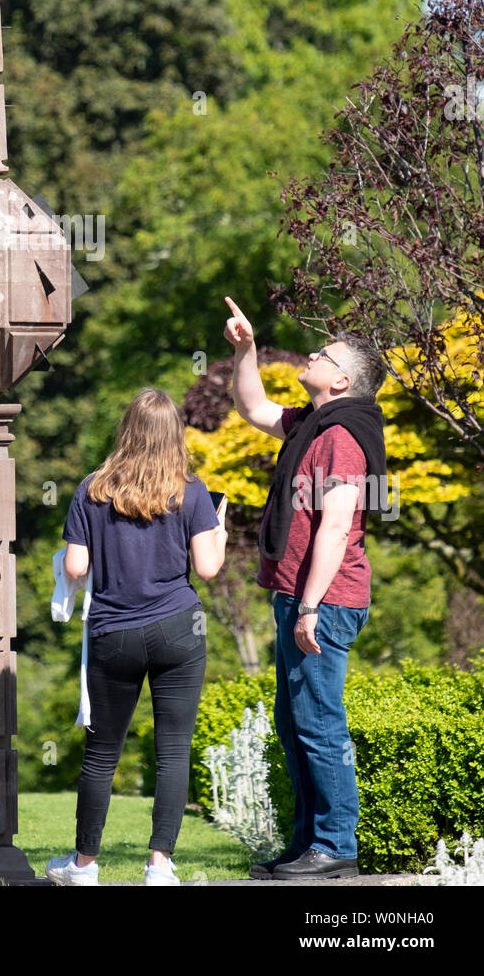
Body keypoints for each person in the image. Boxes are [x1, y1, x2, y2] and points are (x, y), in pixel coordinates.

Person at [223, 296, 387, 880]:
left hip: (326, 599)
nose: (312, 354)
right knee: (295, 726)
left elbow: (338, 525)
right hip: (298, 596)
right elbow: (254, 407)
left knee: (319, 725)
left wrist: (310, 606)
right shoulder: (312, 423)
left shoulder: (342, 435)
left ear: (341, 379)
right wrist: (245, 349)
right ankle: (305, 847)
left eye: (323, 353)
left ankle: (335, 848)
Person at [45, 387, 227, 887]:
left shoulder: (91, 490)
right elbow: (208, 568)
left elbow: (78, 566)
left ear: (126, 431)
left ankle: (83, 866)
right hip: (178, 628)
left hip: (114, 631)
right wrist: (220, 535)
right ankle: (159, 865)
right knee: (173, 749)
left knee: (102, 753)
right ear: (175, 436)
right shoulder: (191, 491)